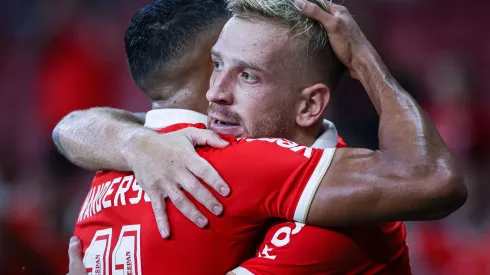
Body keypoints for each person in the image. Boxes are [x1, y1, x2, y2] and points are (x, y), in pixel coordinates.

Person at [57, 0, 467, 274]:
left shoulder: (343, 219)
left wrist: (361, 57)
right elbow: (76, 126)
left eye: (248, 75)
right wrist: (135, 142)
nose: (215, 92)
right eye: (217, 64)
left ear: (309, 107)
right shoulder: (190, 152)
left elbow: (435, 178)